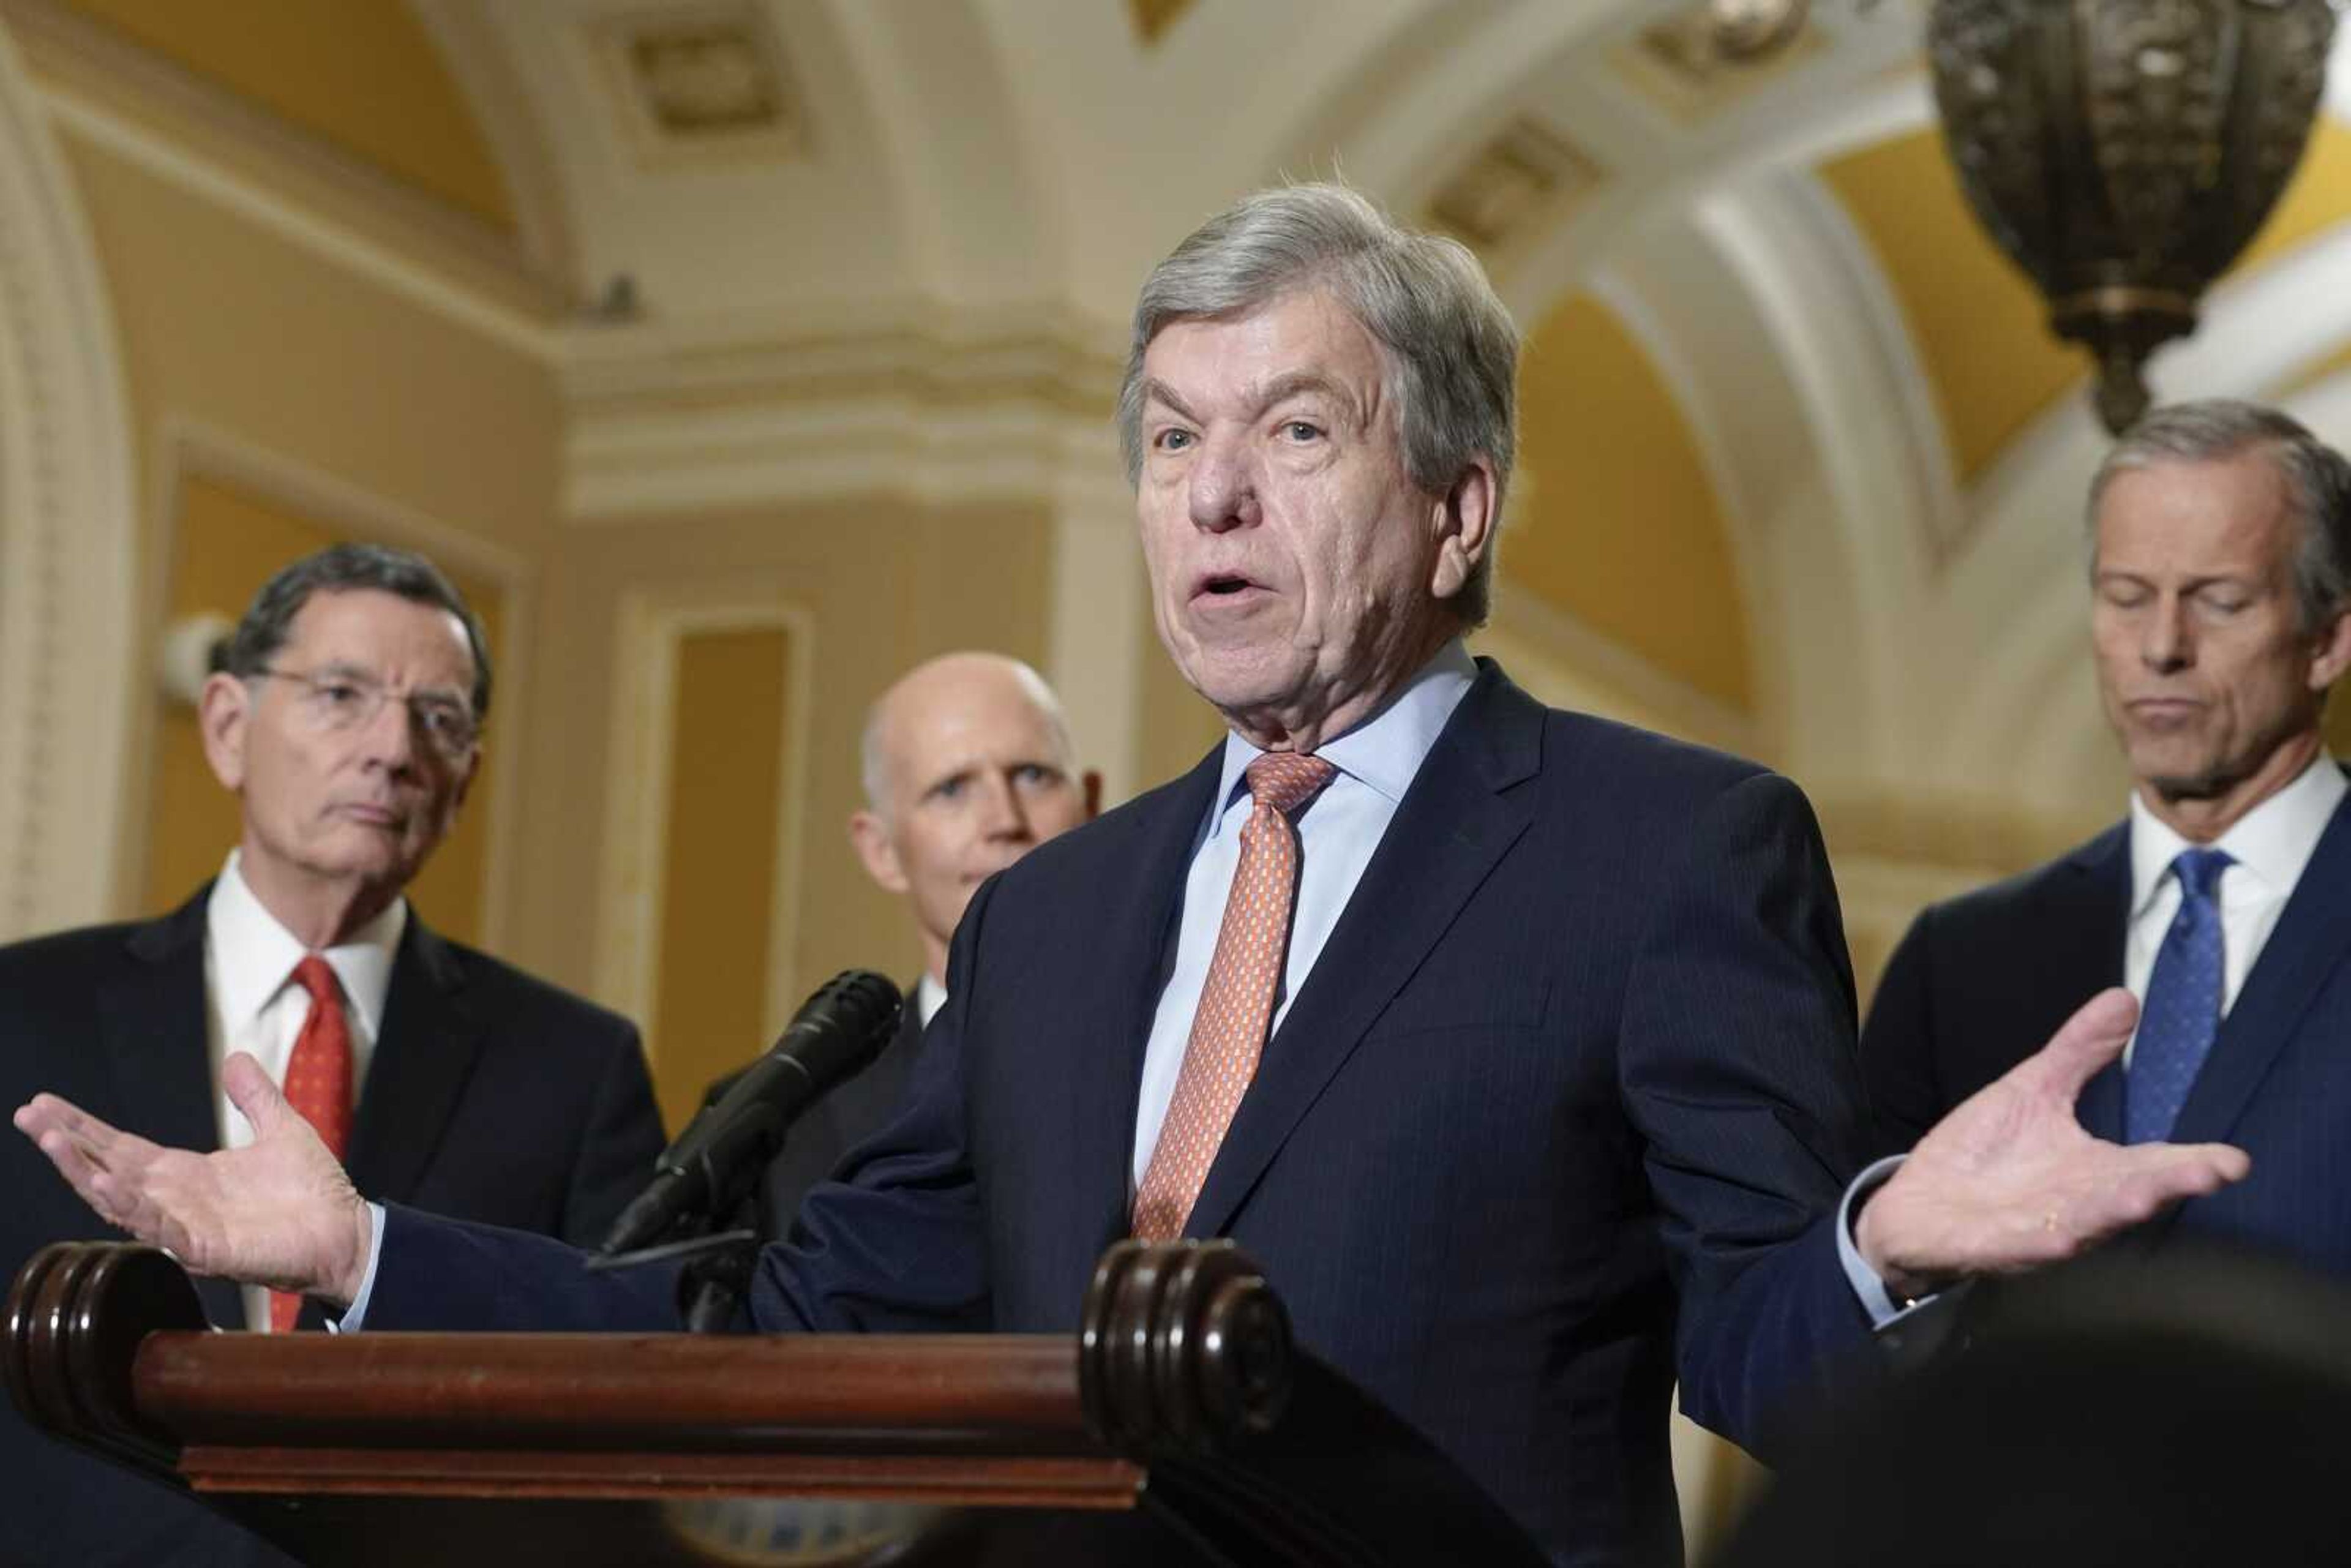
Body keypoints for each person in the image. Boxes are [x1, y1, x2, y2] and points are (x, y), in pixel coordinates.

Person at [16, 190, 2244, 1568]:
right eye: (1171, 439)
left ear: (1458, 509)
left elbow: (1757, 1337)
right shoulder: (1055, 919)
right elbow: (790, 1328)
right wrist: (370, 1243)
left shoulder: (1666, 848)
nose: (1213, 499)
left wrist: (1884, 1242)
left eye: (1294, 431)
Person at [0, 543, 666, 1567]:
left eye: (437, 720)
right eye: (343, 694)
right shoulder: (23, 1010)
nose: (393, 749)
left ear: (463, 783)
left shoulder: (576, 1066)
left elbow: (620, 1397)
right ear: (229, 727)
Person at [1863, 400, 2351, 1276]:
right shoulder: (1959, 959)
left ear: (2328, 639)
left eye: (2220, 600)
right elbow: (1839, 1335)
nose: (2161, 646)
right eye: (2127, 597)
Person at [716, 651, 1087, 1229]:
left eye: (1033, 776)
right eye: (952, 789)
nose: (1004, 818)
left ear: (1091, 802)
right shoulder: (775, 1123)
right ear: (881, 850)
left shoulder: (1192, 1062)